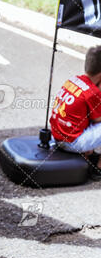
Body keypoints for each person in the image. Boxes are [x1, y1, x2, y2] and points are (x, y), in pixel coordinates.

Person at [50, 45, 101, 179]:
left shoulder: (73, 80)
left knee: (85, 116)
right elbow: (98, 120)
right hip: (71, 143)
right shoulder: (93, 93)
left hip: (57, 136)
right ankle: (99, 169)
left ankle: (88, 154)